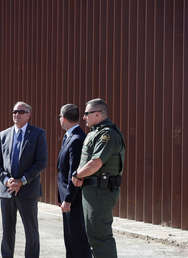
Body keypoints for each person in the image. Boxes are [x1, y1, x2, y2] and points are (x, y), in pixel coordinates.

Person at [0, 101, 48, 258]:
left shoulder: (38, 134)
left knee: (31, 230)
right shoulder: (4, 134)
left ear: (29, 114)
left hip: (28, 190)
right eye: (14, 111)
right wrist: (6, 180)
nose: (16, 114)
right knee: (7, 230)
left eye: (21, 112)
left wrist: (22, 180)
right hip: (7, 190)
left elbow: (41, 162)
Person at [72, 98, 125, 258]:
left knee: (100, 235)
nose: (83, 117)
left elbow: (96, 163)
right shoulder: (96, 132)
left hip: (101, 191)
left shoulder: (107, 134)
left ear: (97, 114)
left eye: (86, 114)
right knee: (94, 234)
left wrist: (77, 174)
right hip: (92, 190)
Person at [57, 104, 91, 258]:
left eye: (59, 117)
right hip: (69, 198)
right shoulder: (70, 136)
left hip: (74, 199)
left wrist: (68, 199)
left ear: (63, 118)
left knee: (76, 240)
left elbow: (74, 173)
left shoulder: (76, 139)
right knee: (70, 239)